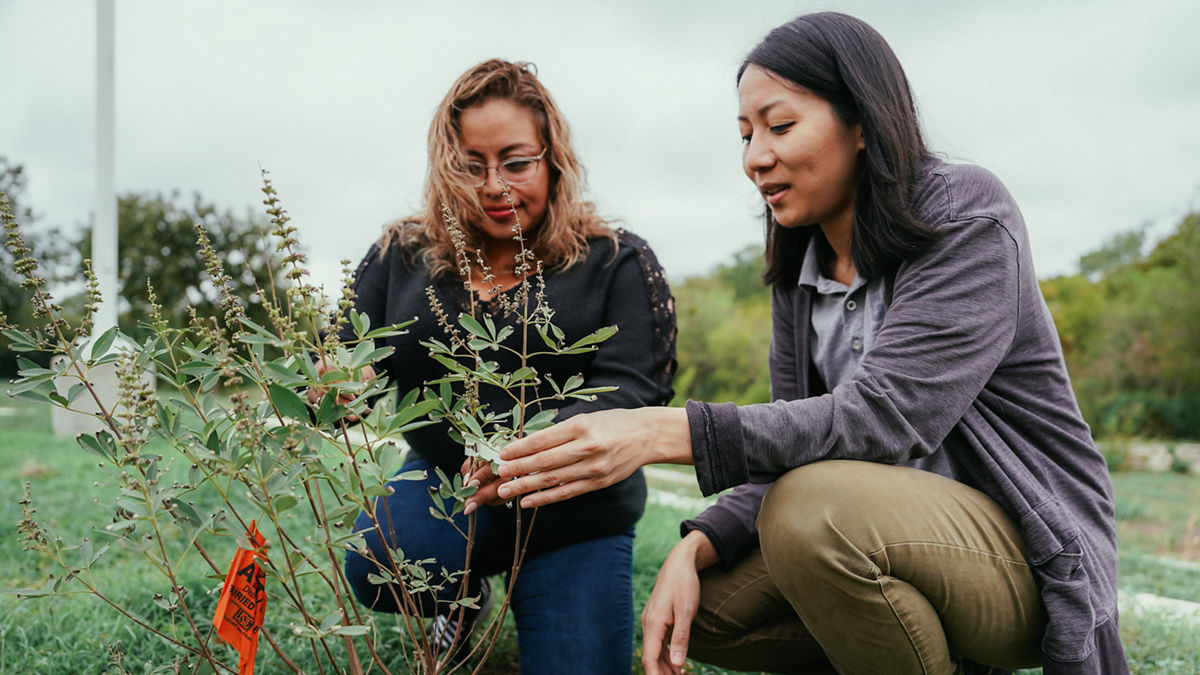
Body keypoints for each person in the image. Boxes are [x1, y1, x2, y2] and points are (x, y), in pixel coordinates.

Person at [478, 13, 1128, 675]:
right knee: (705, 608)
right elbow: (799, 443)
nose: (756, 156)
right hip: (882, 534)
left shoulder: (966, 216)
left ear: (865, 122)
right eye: (746, 134)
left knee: (810, 513)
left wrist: (655, 432)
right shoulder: (801, 266)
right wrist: (698, 542)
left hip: (1022, 550)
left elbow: (884, 418)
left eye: (780, 125)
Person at [338, 59, 676, 673]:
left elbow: (633, 386)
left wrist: (529, 448)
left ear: (552, 159)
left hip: (576, 512)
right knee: (374, 559)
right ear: (449, 168)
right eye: (472, 166)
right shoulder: (402, 254)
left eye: (516, 163)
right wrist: (337, 383)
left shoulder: (616, 261)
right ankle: (462, 600)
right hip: (450, 484)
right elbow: (342, 354)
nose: (495, 186)